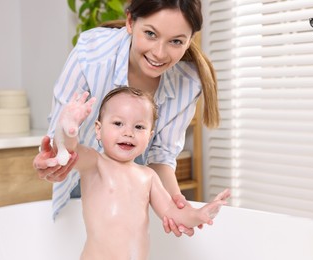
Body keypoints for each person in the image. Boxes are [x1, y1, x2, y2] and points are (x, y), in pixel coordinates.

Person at [33, 0, 220, 237]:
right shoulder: (91, 54)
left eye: (176, 41)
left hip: (139, 180)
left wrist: (176, 206)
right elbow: (63, 138)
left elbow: (161, 156)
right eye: (150, 34)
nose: (159, 53)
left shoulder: (188, 82)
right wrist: (58, 150)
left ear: (190, 39)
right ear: (131, 22)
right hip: (82, 171)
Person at [55, 87, 230, 259]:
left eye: (139, 127)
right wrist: (69, 129)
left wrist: (199, 215)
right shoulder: (95, 164)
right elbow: (69, 149)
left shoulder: (148, 176)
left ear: (149, 135)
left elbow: (171, 212)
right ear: (98, 130)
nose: (128, 132)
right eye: (118, 123)